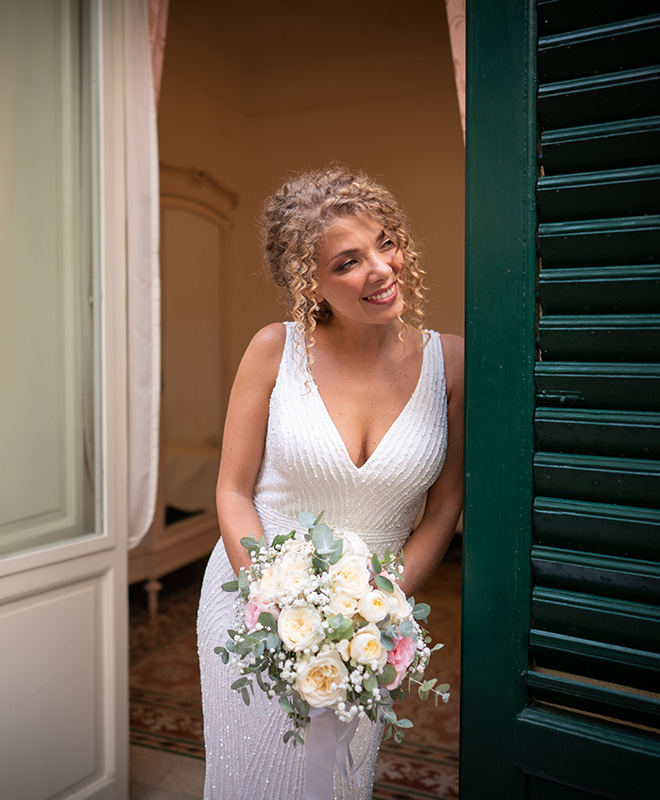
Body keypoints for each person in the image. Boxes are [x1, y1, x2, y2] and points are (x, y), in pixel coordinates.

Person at [196, 165, 464, 799]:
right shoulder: (273, 351)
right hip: (252, 603)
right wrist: (274, 602)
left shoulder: (449, 361)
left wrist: (379, 608)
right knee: (251, 783)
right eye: (348, 262)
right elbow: (232, 491)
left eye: (387, 242)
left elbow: (446, 504)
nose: (381, 269)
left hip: (371, 624)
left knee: (339, 784)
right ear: (307, 281)